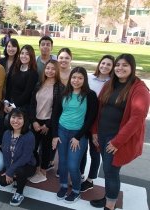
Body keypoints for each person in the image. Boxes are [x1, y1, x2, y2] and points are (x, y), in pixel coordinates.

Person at [90, 54, 149, 210]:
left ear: (132, 68)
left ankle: (110, 205)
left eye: (125, 65)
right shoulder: (110, 84)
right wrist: (95, 131)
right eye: (118, 65)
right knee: (108, 169)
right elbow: (99, 108)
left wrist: (117, 141)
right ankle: (108, 197)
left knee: (111, 171)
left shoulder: (139, 89)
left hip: (116, 139)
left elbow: (137, 118)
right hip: (102, 135)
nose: (120, 68)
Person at [52, 67, 98, 203]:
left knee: (73, 165)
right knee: (63, 163)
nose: (76, 81)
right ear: (70, 78)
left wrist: (78, 137)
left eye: (80, 78)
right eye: (74, 77)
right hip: (62, 130)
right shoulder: (64, 93)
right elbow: (55, 114)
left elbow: (91, 118)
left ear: (84, 80)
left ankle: (76, 190)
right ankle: (63, 186)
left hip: (78, 134)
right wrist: (55, 135)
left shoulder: (90, 95)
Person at [79, 55, 115, 192]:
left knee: (95, 153)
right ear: (99, 64)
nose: (105, 66)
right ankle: (80, 174)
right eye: (103, 63)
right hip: (83, 120)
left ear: (112, 68)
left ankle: (90, 180)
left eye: (109, 65)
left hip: (98, 124)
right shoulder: (89, 78)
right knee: (81, 151)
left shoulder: (112, 83)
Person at [29, 60, 64, 184]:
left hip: (49, 123)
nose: (50, 71)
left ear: (57, 71)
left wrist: (47, 124)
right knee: (33, 147)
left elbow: (57, 110)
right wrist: (33, 121)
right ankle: (36, 168)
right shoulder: (39, 83)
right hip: (36, 122)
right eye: (47, 68)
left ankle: (43, 171)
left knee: (46, 149)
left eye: (53, 69)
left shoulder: (60, 87)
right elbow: (32, 103)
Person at [0, 108, 36, 207]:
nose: (15, 121)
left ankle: (19, 193)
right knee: (2, 181)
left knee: (20, 171)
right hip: (11, 163)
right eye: (13, 117)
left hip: (27, 164)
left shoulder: (29, 136)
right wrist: (8, 169)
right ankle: (17, 177)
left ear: (25, 120)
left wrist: (10, 171)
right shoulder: (6, 133)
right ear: (9, 118)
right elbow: (5, 154)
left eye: (19, 118)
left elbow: (25, 157)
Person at [4, 44, 38, 114]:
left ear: (31, 56)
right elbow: (9, 86)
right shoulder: (15, 67)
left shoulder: (33, 74)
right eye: (22, 53)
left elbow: (27, 94)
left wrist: (13, 106)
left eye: (27, 54)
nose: (24, 56)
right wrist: (6, 102)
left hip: (22, 107)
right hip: (9, 103)